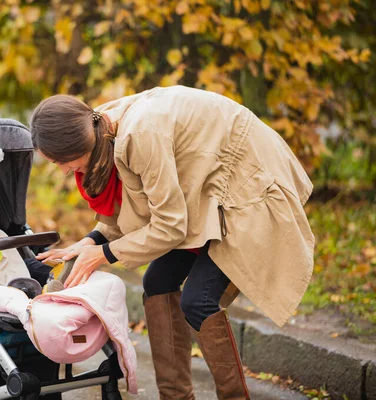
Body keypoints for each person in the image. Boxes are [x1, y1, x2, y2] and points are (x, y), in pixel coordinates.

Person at [29, 86, 315, 400]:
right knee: (158, 281)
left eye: (61, 161)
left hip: (243, 185)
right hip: (201, 195)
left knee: (198, 301)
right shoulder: (97, 128)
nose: (64, 170)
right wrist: (91, 241)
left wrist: (104, 254)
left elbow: (170, 226)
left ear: (74, 144)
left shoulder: (138, 136)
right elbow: (136, 201)